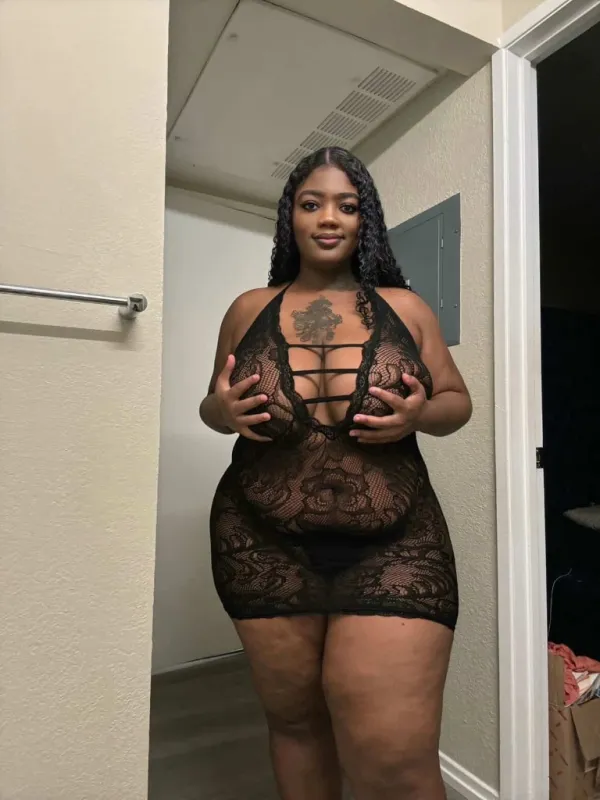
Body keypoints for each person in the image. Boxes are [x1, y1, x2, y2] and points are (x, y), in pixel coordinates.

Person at [200, 146, 472, 800]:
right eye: (311, 203)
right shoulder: (247, 308)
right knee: (296, 726)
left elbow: (457, 403)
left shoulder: (406, 308)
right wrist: (221, 410)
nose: (328, 218)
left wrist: (418, 414)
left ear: (364, 221)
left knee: (394, 759)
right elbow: (213, 406)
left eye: (346, 206)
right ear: (289, 218)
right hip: (260, 545)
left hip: (395, 547)